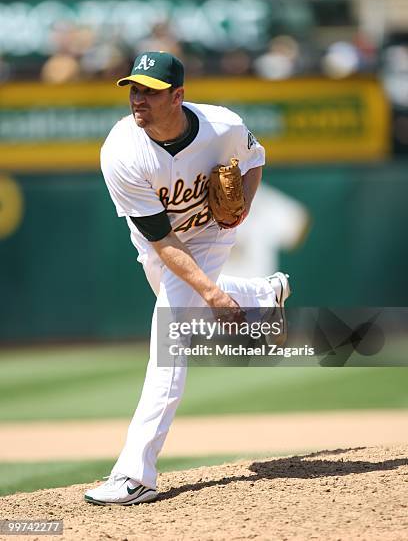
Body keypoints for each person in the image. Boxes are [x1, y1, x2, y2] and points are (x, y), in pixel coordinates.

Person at [84, 51, 291, 506]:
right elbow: (163, 242)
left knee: (169, 335)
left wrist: (244, 208)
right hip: (162, 244)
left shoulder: (223, 127)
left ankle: (136, 474)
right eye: (134, 89)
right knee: (191, 302)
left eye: (151, 91)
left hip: (210, 233)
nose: (138, 99)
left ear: (177, 96)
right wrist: (215, 292)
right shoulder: (121, 152)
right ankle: (264, 292)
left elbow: (255, 158)